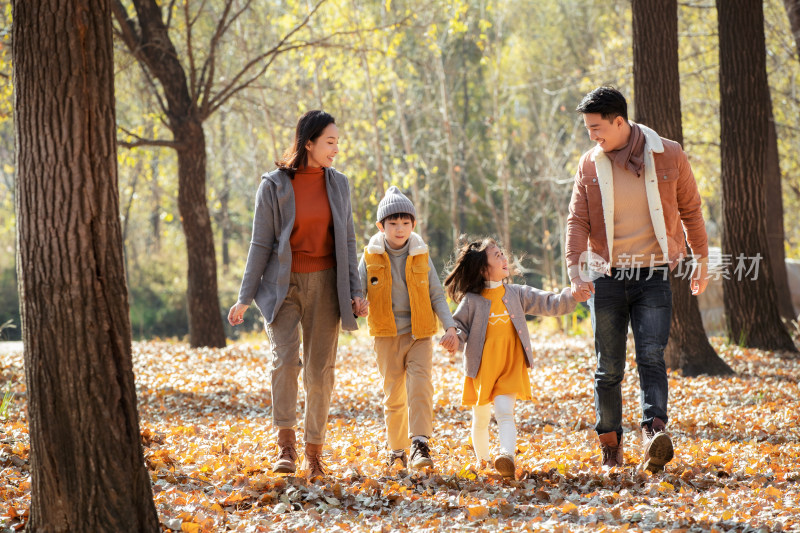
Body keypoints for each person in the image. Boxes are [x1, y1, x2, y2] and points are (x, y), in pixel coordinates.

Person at [566, 87, 709, 472]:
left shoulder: (668, 154)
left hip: (654, 273)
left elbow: (691, 209)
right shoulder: (590, 164)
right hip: (606, 276)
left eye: (596, 128)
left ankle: (654, 432)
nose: (592, 136)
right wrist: (575, 269)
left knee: (651, 355)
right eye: (588, 129)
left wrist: (702, 259)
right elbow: (577, 221)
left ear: (619, 122)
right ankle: (611, 445)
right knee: (608, 366)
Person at [228, 110, 367, 480]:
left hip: (327, 285)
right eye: (330, 142)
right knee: (286, 362)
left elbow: (349, 240)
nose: (336, 149)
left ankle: (314, 452)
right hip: (282, 286)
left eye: (337, 141)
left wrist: (355, 290)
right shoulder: (273, 186)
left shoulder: (339, 184)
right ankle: (285, 444)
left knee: (321, 373)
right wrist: (244, 297)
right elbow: (260, 243)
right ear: (309, 142)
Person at [443, 238, 584, 478]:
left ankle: (506, 456)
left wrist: (572, 296)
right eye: (496, 256)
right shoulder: (472, 301)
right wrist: (453, 337)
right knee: (481, 417)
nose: (504, 258)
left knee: (505, 410)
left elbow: (548, 302)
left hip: (510, 364)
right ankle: (483, 460)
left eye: (502, 253)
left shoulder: (516, 293)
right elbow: (459, 327)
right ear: (482, 268)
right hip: (482, 368)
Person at [359, 186, 459, 470]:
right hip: (386, 334)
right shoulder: (369, 256)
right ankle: (396, 449)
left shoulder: (420, 254)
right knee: (393, 395)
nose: (399, 229)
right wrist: (357, 305)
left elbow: (437, 294)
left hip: (420, 333)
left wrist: (449, 328)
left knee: (420, 388)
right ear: (381, 226)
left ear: (413, 224)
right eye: (393, 224)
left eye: (405, 223)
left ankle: (420, 443)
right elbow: (357, 289)